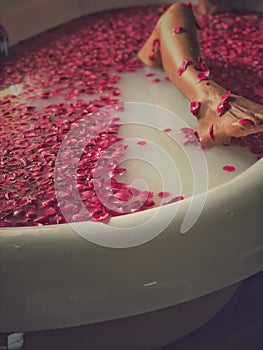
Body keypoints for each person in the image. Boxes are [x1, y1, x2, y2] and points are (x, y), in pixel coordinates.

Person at [138, 1, 263, 147]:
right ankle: (208, 99)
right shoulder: (174, 14)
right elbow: (149, 60)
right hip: (158, 80)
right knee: (178, 11)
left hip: (241, 111)